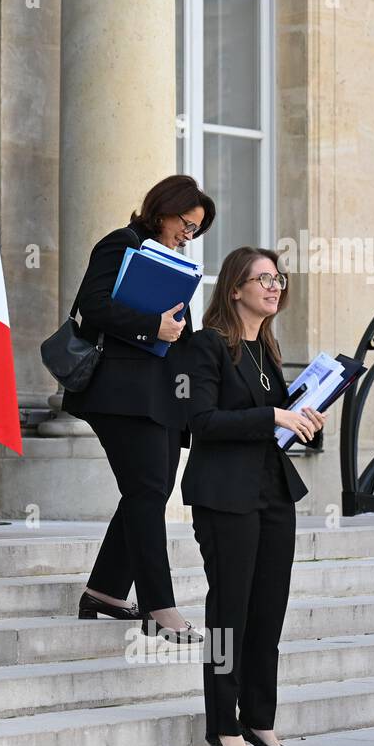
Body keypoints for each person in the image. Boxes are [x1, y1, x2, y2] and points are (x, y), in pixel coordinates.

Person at [182, 246, 325, 746]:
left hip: (273, 492)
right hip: (225, 496)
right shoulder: (206, 346)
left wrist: (305, 422)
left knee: (268, 611)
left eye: (278, 278)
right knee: (229, 613)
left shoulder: (267, 349)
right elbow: (201, 422)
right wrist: (274, 417)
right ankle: (223, 727)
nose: (274, 286)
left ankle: (260, 720)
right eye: (263, 278)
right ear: (235, 288)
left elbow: (275, 424)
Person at [62, 175, 215, 641]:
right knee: (147, 492)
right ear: (163, 209)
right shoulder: (121, 243)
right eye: (186, 224)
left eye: (195, 230)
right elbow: (90, 306)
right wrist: (152, 326)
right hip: (120, 393)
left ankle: (105, 591)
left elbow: (177, 333)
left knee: (149, 492)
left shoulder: (174, 260)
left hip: (161, 394)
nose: (187, 235)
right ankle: (159, 607)